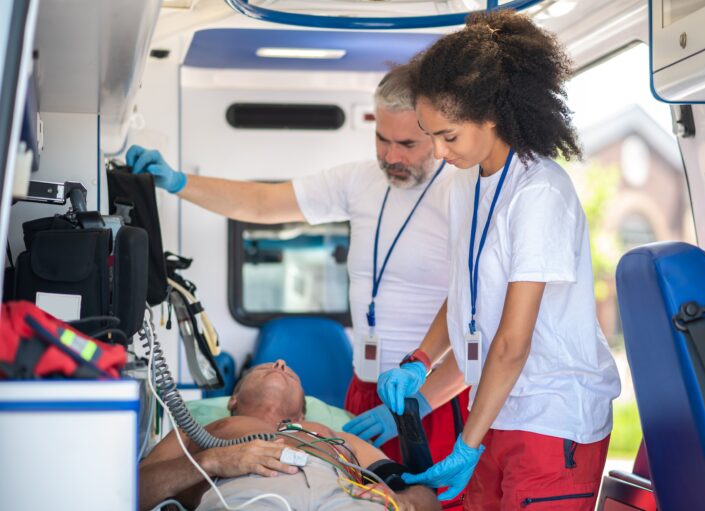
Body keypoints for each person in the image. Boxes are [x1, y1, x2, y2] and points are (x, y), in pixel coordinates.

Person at [126, 63, 470, 465]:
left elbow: (481, 324)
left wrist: (422, 404)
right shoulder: (360, 182)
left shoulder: (459, 193)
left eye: (408, 144)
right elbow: (262, 203)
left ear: (437, 131)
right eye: (381, 139)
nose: (391, 156)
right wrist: (180, 182)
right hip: (364, 386)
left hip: (435, 395)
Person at [376, 10, 622, 510]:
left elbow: (512, 342)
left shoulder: (539, 192)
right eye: (432, 136)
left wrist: (466, 443)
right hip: (496, 411)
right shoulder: (466, 182)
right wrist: (421, 362)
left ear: (492, 114)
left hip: (553, 421)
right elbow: (467, 294)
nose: (440, 152)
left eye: (449, 136)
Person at [139, 360, 440, 511]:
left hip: (344, 499)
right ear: (233, 400)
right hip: (249, 496)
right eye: (265, 367)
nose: (281, 363)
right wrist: (213, 461)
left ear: (302, 415)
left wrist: (405, 502)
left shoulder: (331, 435)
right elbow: (131, 494)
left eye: (291, 374)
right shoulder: (200, 432)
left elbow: (427, 499)